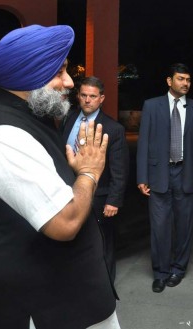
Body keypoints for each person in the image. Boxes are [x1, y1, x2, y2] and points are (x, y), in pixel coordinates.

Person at [0, 25, 120, 329]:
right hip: (34, 309)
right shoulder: (1, 135)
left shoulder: (27, 118)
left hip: (62, 299)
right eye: (59, 72)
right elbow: (65, 223)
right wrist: (89, 172)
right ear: (27, 76)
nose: (69, 82)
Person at [137, 63, 193, 293]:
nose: (185, 83)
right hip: (159, 173)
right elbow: (143, 142)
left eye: (188, 79)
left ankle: (178, 269)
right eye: (181, 79)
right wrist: (142, 176)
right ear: (169, 81)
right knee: (159, 226)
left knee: (184, 225)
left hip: (186, 174)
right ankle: (160, 272)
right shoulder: (151, 106)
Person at [61, 76, 129, 283]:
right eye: (83, 95)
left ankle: (105, 285)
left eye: (92, 96)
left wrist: (113, 200)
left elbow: (120, 169)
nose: (87, 100)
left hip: (98, 197)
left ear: (101, 99)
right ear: (78, 96)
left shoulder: (113, 129)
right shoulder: (68, 119)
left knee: (102, 243)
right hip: (67, 193)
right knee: (72, 240)